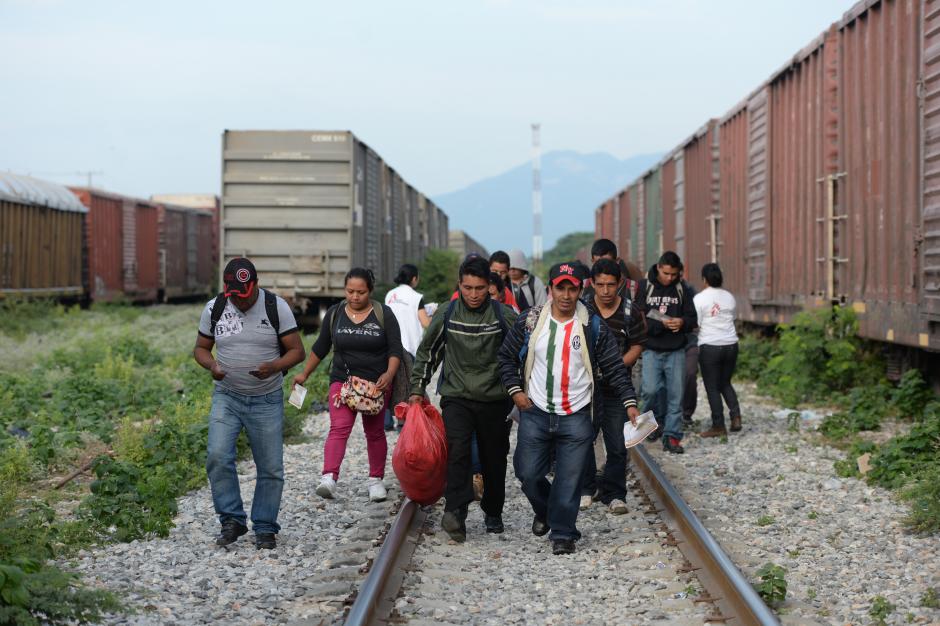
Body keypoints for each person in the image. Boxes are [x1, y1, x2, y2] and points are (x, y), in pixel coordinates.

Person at [498, 262, 639, 555]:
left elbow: (614, 367)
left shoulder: (592, 326)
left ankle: (563, 533)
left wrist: (629, 402)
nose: (565, 294)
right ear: (550, 289)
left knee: (569, 478)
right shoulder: (530, 320)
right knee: (527, 473)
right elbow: (506, 358)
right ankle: (549, 511)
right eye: (560, 287)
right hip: (535, 411)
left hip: (576, 414)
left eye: (571, 288)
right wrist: (516, 393)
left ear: (579, 290)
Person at [194, 257, 306, 550]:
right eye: (235, 297)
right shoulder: (215, 307)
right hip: (227, 396)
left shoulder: (276, 306)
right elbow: (201, 349)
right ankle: (232, 520)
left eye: (245, 296)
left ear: (255, 285)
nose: (240, 303)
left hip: (266, 399)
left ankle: (265, 527)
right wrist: (212, 366)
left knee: (270, 467)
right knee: (217, 456)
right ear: (226, 288)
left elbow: (297, 351)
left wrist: (274, 366)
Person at [409, 256, 517, 542]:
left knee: (494, 458)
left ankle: (493, 510)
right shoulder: (447, 314)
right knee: (457, 453)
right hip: (457, 397)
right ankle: (455, 513)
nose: (473, 294)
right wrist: (417, 389)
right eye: (467, 288)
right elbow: (427, 353)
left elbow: (525, 353)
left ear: (490, 287)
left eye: (479, 288)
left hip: (495, 399)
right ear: (459, 285)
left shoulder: (502, 316)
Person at [293, 268, 403, 502]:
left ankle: (376, 481)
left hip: (375, 385)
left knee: (374, 432)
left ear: (370, 291)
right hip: (342, 383)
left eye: (360, 292)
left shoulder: (384, 314)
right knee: (339, 428)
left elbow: (395, 350)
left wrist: (389, 373)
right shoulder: (335, 313)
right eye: (350, 291)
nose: (354, 297)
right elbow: (320, 348)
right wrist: (304, 374)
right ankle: (329, 478)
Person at [580, 258, 647, 514]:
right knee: (584, 439)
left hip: (618, 389)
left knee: (617, 444)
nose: (606, 291)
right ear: (592, 285)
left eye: (610, 285)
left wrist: (615, 366)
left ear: (620, 283)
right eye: (600, 285)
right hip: (586, 389)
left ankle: (615, 494)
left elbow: (637, 345)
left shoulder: (631, 312)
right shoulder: (583, 312)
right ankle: (587, 489)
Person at [637, 251, 697, 454]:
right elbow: (639, 316)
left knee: (675, 395)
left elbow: (692, 318)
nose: (669, 278)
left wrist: (682, 322)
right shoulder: (645, 286)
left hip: (676, 350)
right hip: (651, 349)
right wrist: (662, 324)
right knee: (651, 390)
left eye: (673, 274)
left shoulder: (683, 289)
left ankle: (672, 436)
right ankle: (648, 425)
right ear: (659, 268)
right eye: (666, 273)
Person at [694, 263, 742, 437]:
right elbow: (733, 318)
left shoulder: (699, 299)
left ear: (704, 279)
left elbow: (696, 324)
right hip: (731, 345)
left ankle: (718, 426)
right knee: (725, 382)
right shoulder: (729, 297)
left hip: (710, 346)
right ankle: (736, 416)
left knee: (712, 387)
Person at [383, 264, 431, 431]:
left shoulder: (390, 295)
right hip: (409, 347)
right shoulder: (417, 297)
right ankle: (402, 422)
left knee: (388, 383)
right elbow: (425, 323)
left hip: (389, 345)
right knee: (406, 386)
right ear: (414, 278)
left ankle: (386, 421)